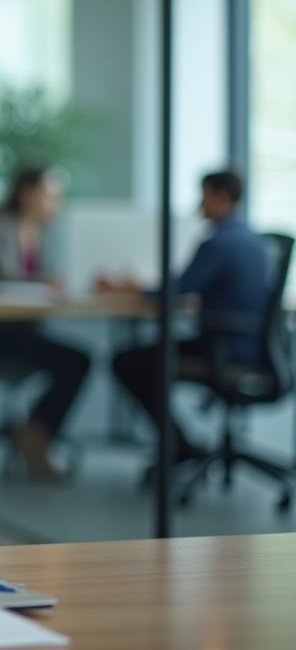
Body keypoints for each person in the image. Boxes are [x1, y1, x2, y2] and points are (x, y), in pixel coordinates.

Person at [105, 170, 268, 464]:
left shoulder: (218, 243)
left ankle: (178, 444)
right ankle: (179, 443)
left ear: (222, 198)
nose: (198, 206)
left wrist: (134, 287)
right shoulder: (253, 241)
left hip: (226, 347)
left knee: (127, 362)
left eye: (204, 197)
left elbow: (178, 290)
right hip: (252, 346)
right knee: (146, 357)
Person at [0, 166, 91, 481]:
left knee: (78, 360)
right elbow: (1, 277)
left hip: (26, 329)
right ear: (27, 194)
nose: (55, 203)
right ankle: (35, 435)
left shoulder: (42, 232)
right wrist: (44, 283)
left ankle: (34, 432)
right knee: (75, 361)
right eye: (49, 195)